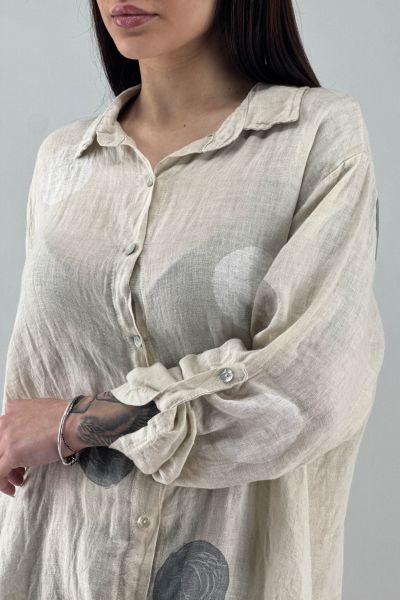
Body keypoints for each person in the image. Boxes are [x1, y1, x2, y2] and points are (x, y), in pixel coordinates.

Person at [0, 1, 385, 599]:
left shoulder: (314, 138)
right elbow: (37, 373)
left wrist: (75, 423)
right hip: (58, 568)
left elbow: (309, 390)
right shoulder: (64, 159)